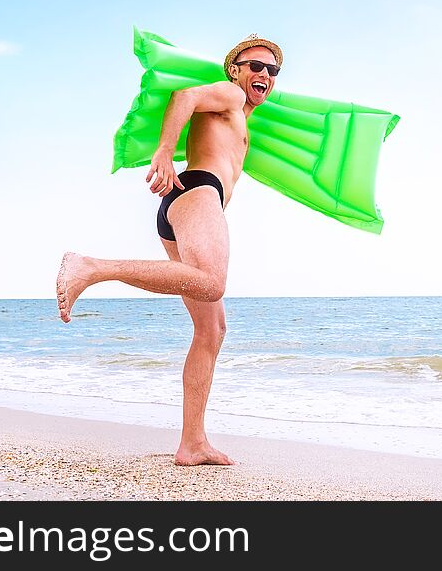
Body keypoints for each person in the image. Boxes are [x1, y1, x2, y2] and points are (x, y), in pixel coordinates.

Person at [56, 34, 283, 466]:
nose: (264, 75)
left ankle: (192, 443)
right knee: (212, 284)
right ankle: (90, 266)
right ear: (235, 69)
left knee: (211, 330)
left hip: (188, 207)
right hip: (199, 191)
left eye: (272, 71)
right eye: (256, 66)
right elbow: (186, 94)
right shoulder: (231, 95)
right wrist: (164, 151)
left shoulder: (241, 113)